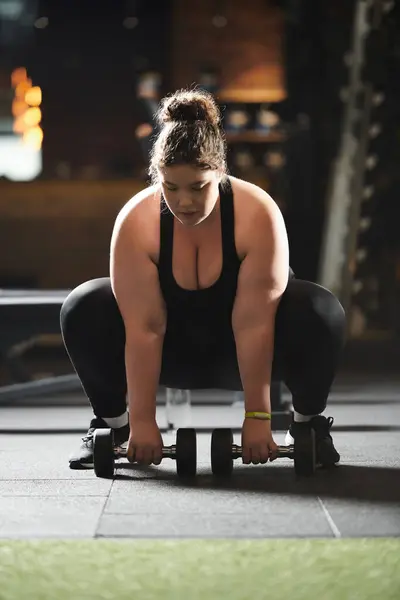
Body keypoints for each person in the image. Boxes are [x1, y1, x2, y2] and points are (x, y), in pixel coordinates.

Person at [60, 88, 346, 470]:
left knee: (320, 308)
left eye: (198, 186)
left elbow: (254, 324)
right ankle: (114, 425)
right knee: (84, 304)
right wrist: (145, 421)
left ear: (220, 172)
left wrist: (258, 418)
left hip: (247, 352)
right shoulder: (137, 221)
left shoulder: (257, 213)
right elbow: (145, 328)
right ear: (157, 176)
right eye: (171, 187)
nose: (185, 202)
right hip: (172, 354)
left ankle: (307, 425)